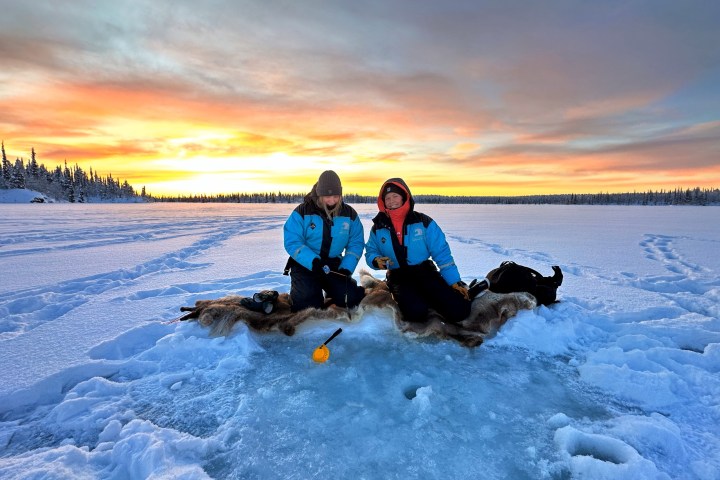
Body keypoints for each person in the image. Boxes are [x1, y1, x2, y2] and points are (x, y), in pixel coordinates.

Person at [365, 178, 487, 323]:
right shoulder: (378, 227)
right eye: (387, 198)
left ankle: (467, 291)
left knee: (459, 312)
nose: (391, 201)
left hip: (424, 271)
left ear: (404, 197)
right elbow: (371, 250)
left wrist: (454, 281)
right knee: (415, 314)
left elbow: (441, 253)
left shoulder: (423, 222)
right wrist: (375, 260)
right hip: (398, 275)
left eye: (395, 196)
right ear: (382, 201)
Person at [283, 170, 366, 312]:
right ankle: (302, 292)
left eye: (336, 196)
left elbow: (356, 243)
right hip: (306, 264)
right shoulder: (302, 211)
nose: (332, 201)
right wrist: (313, 261)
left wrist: (346, 267)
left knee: (351, 299)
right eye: (327, 196)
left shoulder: (350, 214)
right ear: (319, 194)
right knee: (307, 308)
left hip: (333, 265)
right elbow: (293, 241)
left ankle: (332, 290)